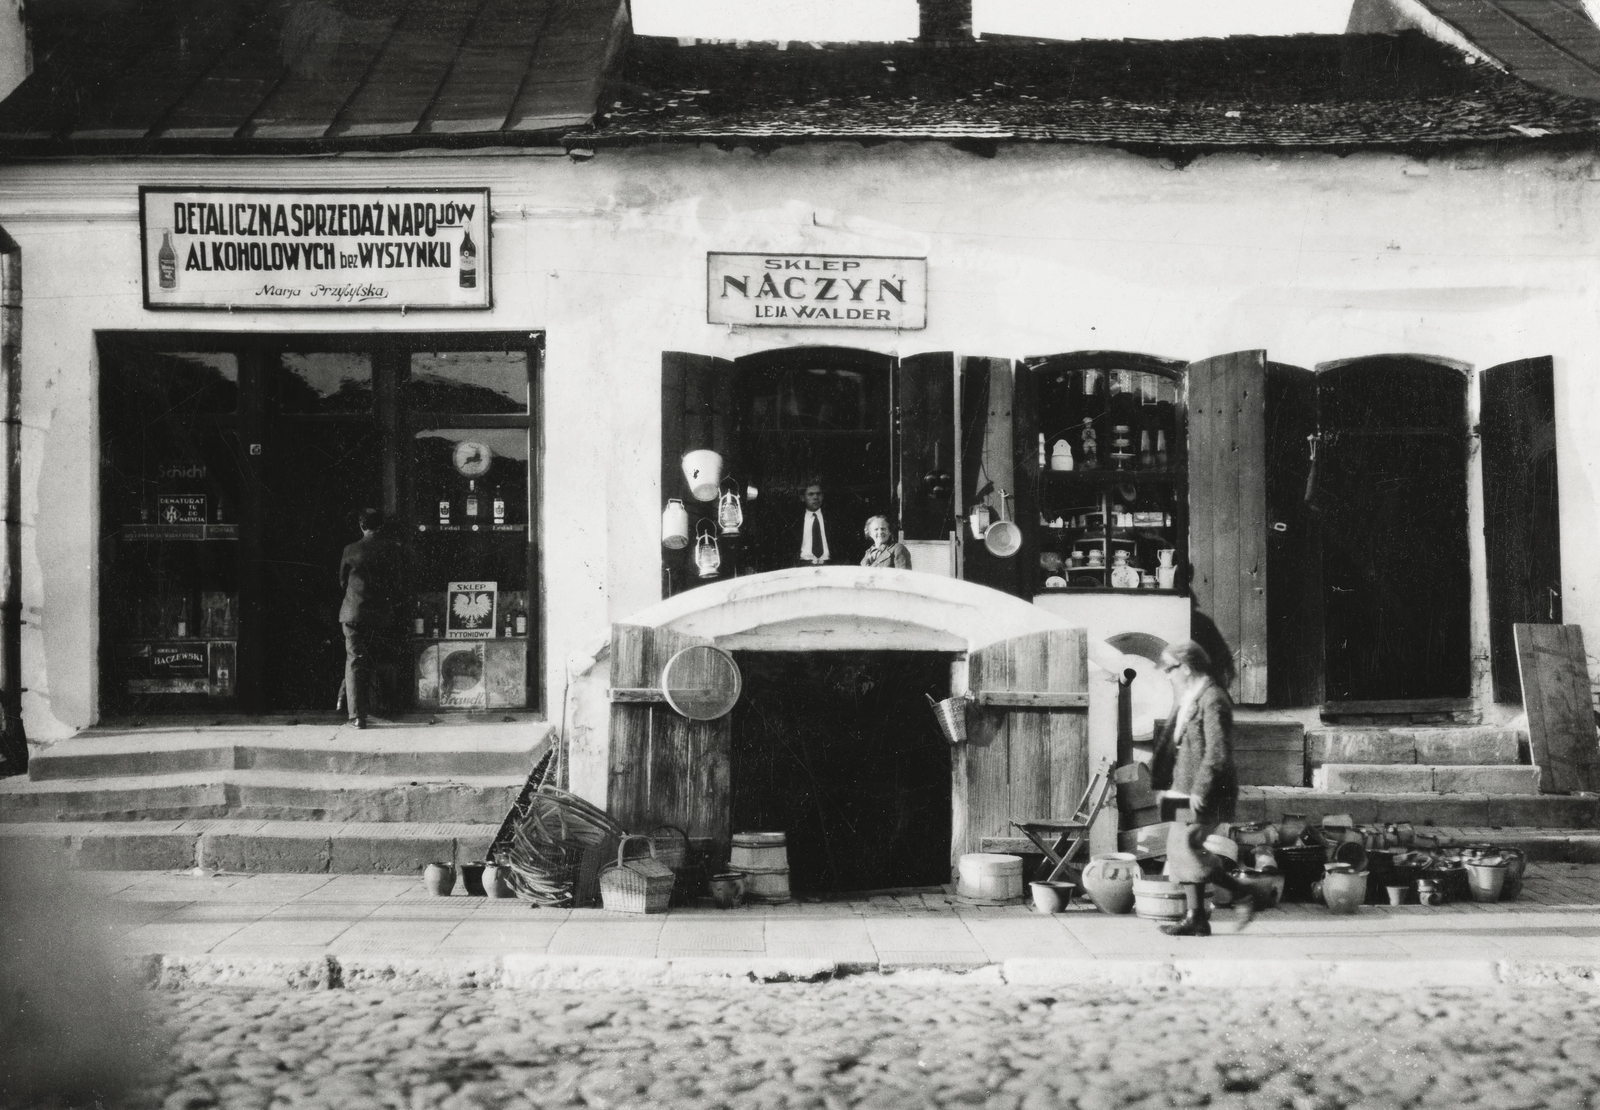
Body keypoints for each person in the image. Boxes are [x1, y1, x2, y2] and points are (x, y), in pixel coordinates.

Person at [1152, 639, 1272, 936]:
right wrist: (1164, 785)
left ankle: (1244, 894)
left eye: (1170, 668)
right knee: (1178, 846)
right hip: (1184, 788)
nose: (1167, 674)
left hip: (1209, 791)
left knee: (1187, 845)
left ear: (1188, 667)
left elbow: (1217, 753)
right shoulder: (1188, 697)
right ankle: (1197, 918)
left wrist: (1199, 791)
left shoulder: (1213, 699)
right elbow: (1172, 744)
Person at [337, 507, 401, 729]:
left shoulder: (350, 550)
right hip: (381, 615)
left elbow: (343, 583)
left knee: (355, 660)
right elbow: (397, 581)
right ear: (381, 525)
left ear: (361, 525)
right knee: (378, 660)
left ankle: (357, 716)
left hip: (353, 612)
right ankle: (384, 708)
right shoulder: (392, 549)